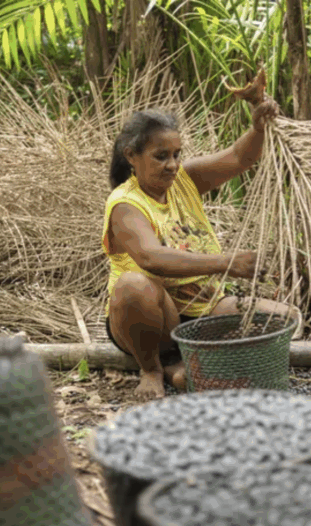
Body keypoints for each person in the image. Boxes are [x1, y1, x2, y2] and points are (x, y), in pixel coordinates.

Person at [102, 95, 299, 398]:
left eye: (177, 154)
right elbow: (150, 258)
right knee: (133, 286)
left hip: (202, 309)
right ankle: (153, 367)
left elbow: (239, 157)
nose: (172, 165)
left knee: (285, 318)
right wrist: (226, 263)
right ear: (132, 156)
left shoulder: (183, 180)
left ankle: (185, 364)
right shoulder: (125, 204)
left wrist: (258, 128)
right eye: (161, 156)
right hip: (153, 316)